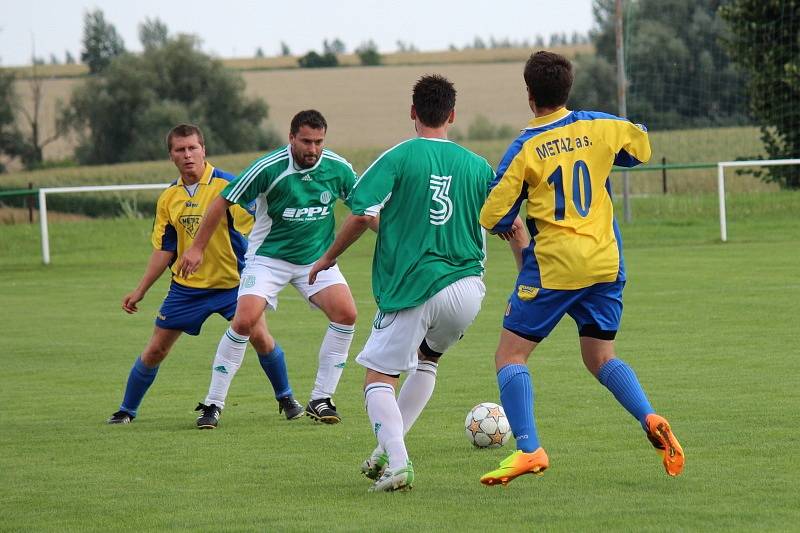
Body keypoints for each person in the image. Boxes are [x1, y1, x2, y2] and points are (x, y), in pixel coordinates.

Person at [478, 51, 685, 486]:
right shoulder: (599, 125)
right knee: (600, 356)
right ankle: (649, 416)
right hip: (606, 262)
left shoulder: (525, 146)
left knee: (510, 356)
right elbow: (640, 147)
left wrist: (510, 224)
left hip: (555, 268)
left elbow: (493, 212)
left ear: (530, 94)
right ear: (567, 89)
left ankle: (529, 449)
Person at [308, 75, 495, 492]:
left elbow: (360, 213)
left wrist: (328, 257)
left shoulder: (398, 157)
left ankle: (398, 461)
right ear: (452, 115)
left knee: (378, 376)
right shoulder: (479, 166)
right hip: (468, 289)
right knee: (427, 359)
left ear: (413, 112)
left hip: (414, 288)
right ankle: (385, 451)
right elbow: (511, 224)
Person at [108, 123, 304, 427]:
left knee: (261, 339)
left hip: (233, 285)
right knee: (156, 348)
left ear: (204, 150)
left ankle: (286, 397)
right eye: (180, 150)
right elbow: (165, 250)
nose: (187, 155)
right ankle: (126, 411)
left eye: (192, 148)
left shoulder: (229, 186)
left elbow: (257, 224)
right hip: (187, 289)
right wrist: (140, 290)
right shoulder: (168, 198)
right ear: (171, 156)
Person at [178, 110, 358, 425]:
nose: (312, 149)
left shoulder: (339, 169)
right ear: (291, 138)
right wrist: (196, 247)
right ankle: (213, 404)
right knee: (245, 320)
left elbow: (364, 209)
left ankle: (321, 399)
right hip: (268, 259)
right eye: (305, 141)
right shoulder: (268, 167)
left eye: (318, 142)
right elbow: (222, 201)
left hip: (315, 259)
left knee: (347, 314)